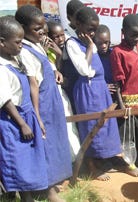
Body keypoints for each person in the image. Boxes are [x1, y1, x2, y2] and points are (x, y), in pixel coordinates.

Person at [15, 5, 72, 201]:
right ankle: (48, 190)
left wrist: (54, 70)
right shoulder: (23, 50)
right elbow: (32, 85)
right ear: (22, 27)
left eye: (43, 28)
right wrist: (37, 116)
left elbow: (45, 67)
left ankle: (54, 182)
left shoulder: (36, 44)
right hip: (42, 104)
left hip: (52, 99)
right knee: (45, 146)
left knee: (56, 142)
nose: (42, 32)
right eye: (37, 29)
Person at [63, 7, 122, 181]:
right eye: (90, 29)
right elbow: (84, 69)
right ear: (78, 24)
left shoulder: (90, 40)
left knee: (105, 126)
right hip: (87, 90)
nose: (93, 33)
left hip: (99, 88)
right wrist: (89, 46)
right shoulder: (73, 43)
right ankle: (91, 167)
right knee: (90, 127)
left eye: (95, 29)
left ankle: (104, 160)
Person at [0, 15, 48, 202]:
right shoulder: (1, 67)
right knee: (17, 161)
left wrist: (34, 119)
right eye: (18, 42)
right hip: (13, 120)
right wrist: (22, 124)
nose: (21, 45)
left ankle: (29, 197)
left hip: (26, 115)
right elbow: (5, 99)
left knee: (28, 160)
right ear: (2, 43)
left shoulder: (14, 60)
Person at [110, 14, 138, 177]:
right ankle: (129, 165)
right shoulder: (118, 52)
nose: (136, 39)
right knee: (127, 135)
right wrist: (122, 105)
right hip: (126, 101)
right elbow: (117, 82)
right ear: (123, 32)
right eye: (133, 35)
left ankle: (135, 160)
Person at [47, 20, 81, 162]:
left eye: (62, 35)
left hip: (75, 90)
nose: (60, 39)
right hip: (64, 92)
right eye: (56, 36)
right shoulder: (49, 52)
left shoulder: (71, 46)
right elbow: (58, 74)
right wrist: (59, 55)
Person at [93, 24, 117, 100]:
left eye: (106, 42)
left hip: (116, 95)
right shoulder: (92, 57)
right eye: (100, 43)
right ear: (94, 42)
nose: (104, 46)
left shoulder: (114, 54)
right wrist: (103, 86)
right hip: (99, 96)